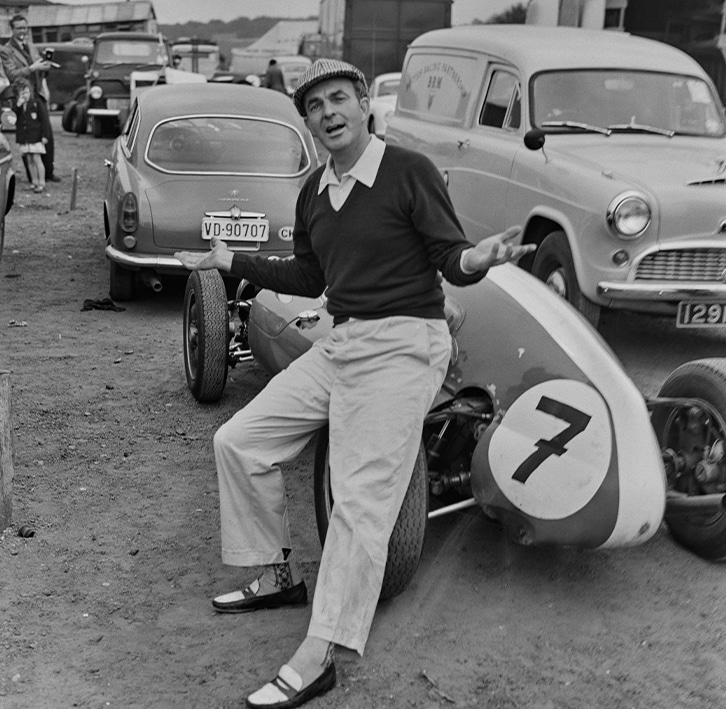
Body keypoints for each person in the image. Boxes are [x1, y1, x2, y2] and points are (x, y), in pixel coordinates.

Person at [174, 58, 535, 709]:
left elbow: (451, 254)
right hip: (343, 339)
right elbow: (310, 276)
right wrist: (230, 261)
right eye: (315, 107)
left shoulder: (407, 171)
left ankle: (321, 654)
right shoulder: (314, 191)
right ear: (307, 121)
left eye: (340, 98)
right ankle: (280, 573)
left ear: (367, 103)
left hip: (406, 344)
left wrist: (480, 257)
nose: (329, 113)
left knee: (361, 500)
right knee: (240, 440)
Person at [0, 14, 59, 183]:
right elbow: (12, 74)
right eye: (19, 28)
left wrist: (44, 68)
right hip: (22, 96)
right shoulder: (6, 50)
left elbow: (39, 71)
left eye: (25, 28)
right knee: (27, 134)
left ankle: (48, 171)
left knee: (46, 132)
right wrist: (33, 67)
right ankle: (33, 175)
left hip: (37, 94)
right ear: (12, 30)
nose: (22, 31)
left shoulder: (32, 47)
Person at [13, 78, 50, 193]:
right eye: (22, 93)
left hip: (36, 136)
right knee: (28, 159)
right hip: (24, 137)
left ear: (30, 92)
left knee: (37, 158)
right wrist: (18, 105)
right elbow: (12, 118)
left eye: (26, 92)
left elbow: (44, 120)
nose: (25, 95)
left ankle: (41, 182)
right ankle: (34, 181)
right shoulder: (17, 106)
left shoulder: (36, 104)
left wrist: (45, 135)